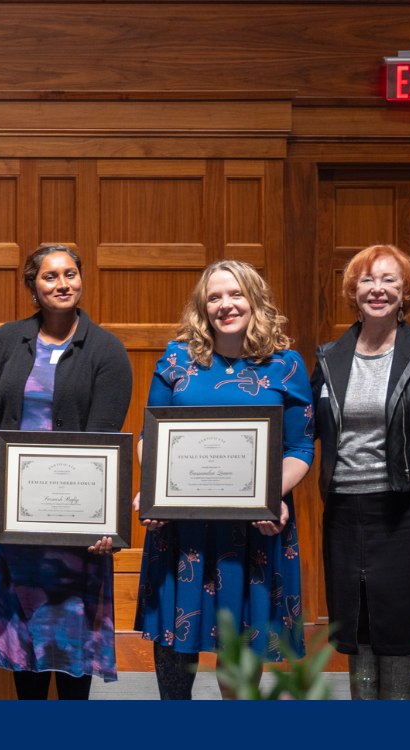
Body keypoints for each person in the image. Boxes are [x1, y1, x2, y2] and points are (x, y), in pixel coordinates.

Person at [134, 260, 315, 699]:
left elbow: (301, 450)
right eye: (214, 297)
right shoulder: (178, 358)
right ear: (202, 306)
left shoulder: (286, 366)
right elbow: (149, 437)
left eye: (235, 294)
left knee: (240, 649)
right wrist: (153, 490)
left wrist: (270, 496)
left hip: (252, 528)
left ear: (254, 300)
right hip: (182, 528)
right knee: (177, 648)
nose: (225, 305)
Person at [0, 245, 133, 700]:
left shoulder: (107, 350)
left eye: (70, 274)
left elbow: (104, 441)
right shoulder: (6, 341)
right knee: (24, 643)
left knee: (70, 639)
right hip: (13, 513)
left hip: (74, 520)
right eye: (50, 276)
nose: (62, 284)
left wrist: (105, 522)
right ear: (32, 286)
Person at [312, 244, 410, 699]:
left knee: (400, 634)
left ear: (405, 293)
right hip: (345, 516)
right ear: (353, 291)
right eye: (367, 280)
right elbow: (305, 433)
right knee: (358, 632)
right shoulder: (328, 358)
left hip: (406, 514)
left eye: (389, 280)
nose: (377, 289)